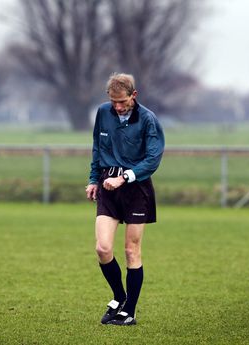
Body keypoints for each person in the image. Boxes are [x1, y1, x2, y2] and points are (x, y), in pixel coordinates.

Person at [85, 73, 165, 326]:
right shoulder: (103, 113)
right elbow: (97, 147)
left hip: (136, 188)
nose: (117, 106)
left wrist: (125, 178)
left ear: (134, 95)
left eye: (122, 101)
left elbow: (152, 159)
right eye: (113, 102)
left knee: (131, 251)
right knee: (102, 248)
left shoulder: (149, 120)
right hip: (108, 184)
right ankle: (120, 297)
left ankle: (129, 311)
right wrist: (93, 179)